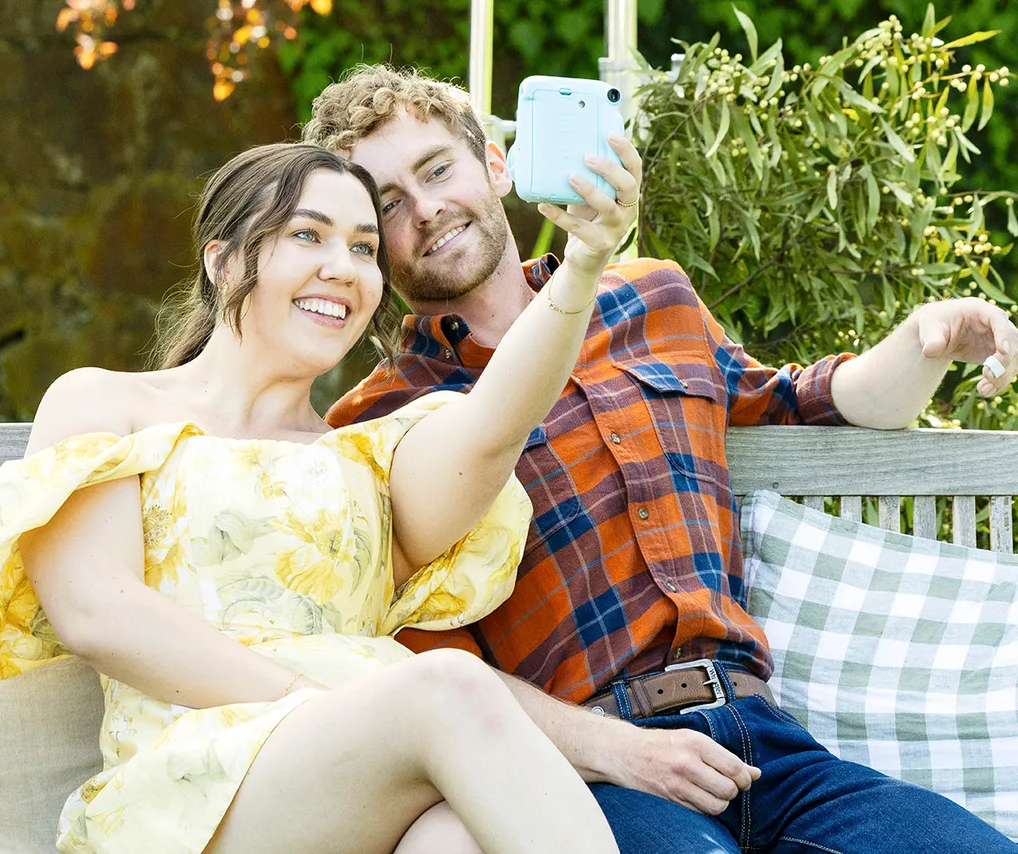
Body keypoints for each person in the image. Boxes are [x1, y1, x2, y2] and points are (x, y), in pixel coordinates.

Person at [306, 65, 1018, 852]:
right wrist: (615, 750)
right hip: (584, 779)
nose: (426, 208)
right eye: (388, 204)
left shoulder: (653, 297)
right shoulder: (378, 419)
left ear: (495, 166)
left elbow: (801, 399)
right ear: (369, 245)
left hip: (767, 748)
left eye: (438, 169)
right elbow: (417, 659)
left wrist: (925, 341)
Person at [0, 141, 638, 854]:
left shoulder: (369, 461)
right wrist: (317, 702)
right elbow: (96, 611)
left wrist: (584, 261)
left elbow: (495, 425)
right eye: (308, 235)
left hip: (355, 779)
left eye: (365, 248)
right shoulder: (106, 404)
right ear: (222, 261)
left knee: (455, 836)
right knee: (449, 686)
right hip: (190, 792)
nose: (344, 267)